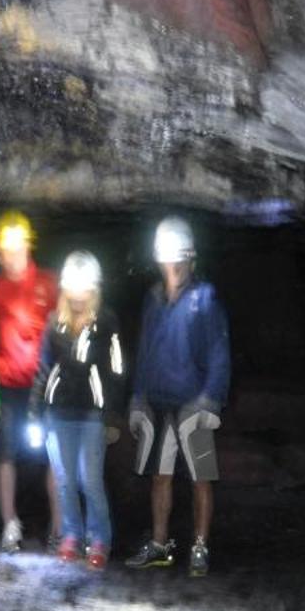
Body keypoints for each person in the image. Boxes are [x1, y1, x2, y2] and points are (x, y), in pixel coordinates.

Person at [124, 217, 231, 577]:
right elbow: (145, 351)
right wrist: (138, 397)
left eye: (181, 261)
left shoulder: (205, 300)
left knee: (200, 478)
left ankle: (200, 547)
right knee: (161, 476)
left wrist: (210, 400)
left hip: (192, 405)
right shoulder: (154, 300)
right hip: (159, 402)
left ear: (191, 260)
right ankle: (160, 545)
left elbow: (219, 352)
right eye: (170, 261)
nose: (175, 267)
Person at [31, 251, 127, 568]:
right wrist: (35, 412)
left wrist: (113, 415)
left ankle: (99, 539)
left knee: (90, 480)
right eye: (72, 288)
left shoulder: (107, 322)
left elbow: (116, 371)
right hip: (57, 413)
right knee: (64, 479)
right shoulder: (54, 323)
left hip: (92, 415)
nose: (76, 296)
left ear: (94, 290)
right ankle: (71, 534)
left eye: (83, 289)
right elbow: (43, 369)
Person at [0, 210, 61, 552]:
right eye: (5, 251)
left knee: (53, 456)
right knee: (5, 455)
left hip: (44, 385)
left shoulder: (50, 282)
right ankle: (9, 525)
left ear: (28, 247)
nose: (10, 257)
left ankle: (59, 528)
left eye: (15, 249)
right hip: (6, 386)